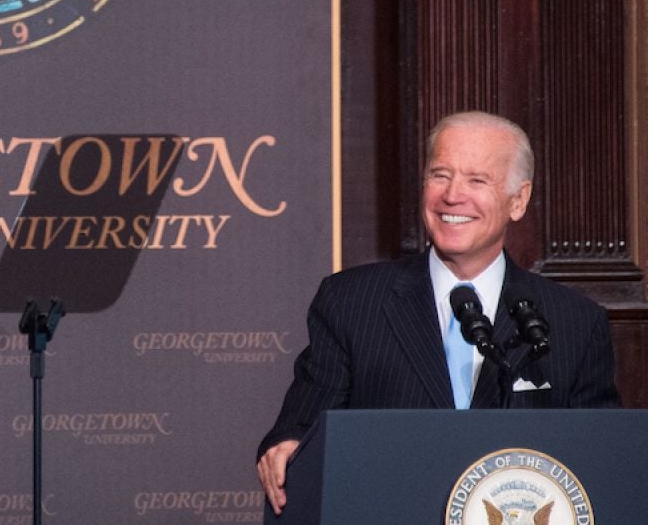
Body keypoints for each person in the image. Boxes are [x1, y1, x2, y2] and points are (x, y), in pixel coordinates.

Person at [255, 111, 620, 515]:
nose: (452, 195)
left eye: (476, 180)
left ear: (518, 201)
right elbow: (302, 426)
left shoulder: (573, 322)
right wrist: (288, 446)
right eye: (440, 175)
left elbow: (599, 460)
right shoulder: (351, 301)